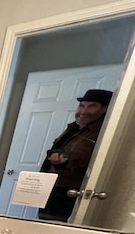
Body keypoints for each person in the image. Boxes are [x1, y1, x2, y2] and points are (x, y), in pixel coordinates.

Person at [38, 89, 113, 222]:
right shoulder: (75, 128)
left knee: (57, 228)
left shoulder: (102, 133)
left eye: (92, 106)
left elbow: (87, 158)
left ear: (105, 109)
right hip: (52, 187)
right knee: (44, 222)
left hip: (69, 192)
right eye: (82, 106)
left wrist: (63, 161)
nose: (83, 111)